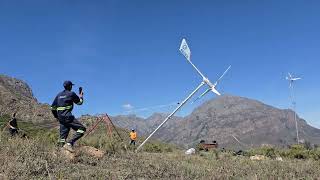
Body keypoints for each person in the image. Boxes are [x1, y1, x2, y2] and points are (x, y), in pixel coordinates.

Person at [51, 81, 86, 152]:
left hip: (61, 118)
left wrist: (57, 117)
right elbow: (80, 102)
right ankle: (70, 143)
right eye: (71, 86)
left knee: (62, 138)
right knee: (82, 129)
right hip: (68, 117)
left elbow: (53, 108)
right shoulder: (71, 93)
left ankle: (58, 152)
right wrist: (81, 96)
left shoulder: (58, 95)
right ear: (70, 86)